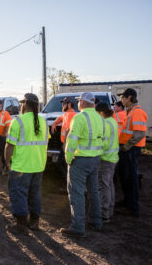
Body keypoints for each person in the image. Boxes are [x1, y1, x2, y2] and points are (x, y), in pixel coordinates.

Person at [60, 92, 104, 238]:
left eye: (79, 101)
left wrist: (68, 158)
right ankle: (96, 221)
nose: (78, 103)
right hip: (95, 159)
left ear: (83, 102)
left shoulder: (79, 118)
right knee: (94, 191)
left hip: (81, 160)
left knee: (76, 192)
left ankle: (78, 227)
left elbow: (72, 141)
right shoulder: (100, 117)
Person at [5, 93, 48, 234]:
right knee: (35, 194)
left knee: (19, 194)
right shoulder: (43, 122)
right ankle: (34, 222)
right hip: (38, 165)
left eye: (22, 103)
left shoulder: (18, 121)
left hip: (21, 166)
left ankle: (21, 225)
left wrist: (6, 161)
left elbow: (9, 145)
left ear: (25, 105)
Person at [116, 88, 147, 217]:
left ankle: (133, 208)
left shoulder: (137, 112)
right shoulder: (130, 112)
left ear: (129, 97)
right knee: (125, 177)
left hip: (130, 150)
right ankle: (127, 201)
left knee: (131, 178)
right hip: (127, 149)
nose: (121, 100)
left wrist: (126, 147)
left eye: (123, 97)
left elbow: (139, 134)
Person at [96, 102, 119, 223]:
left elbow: (103, 143)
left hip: (105, 158)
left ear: (101, 112)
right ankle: (110, 209)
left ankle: (104, 213)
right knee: (109, 184)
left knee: (103, 185)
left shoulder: (105, 124)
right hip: (113, 158)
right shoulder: (113, 121)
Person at [51, 97, 76, 177]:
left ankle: (69, 180)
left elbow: (69, 132)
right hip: (65, 145)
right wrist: (55, 123)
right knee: (63, 164)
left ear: (69, 104)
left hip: (67, 145)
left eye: (64, 103)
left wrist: (65, 145)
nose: (62, 105)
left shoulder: (71, 115)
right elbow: (61, 118)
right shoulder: (67, 114)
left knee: (62, 163)